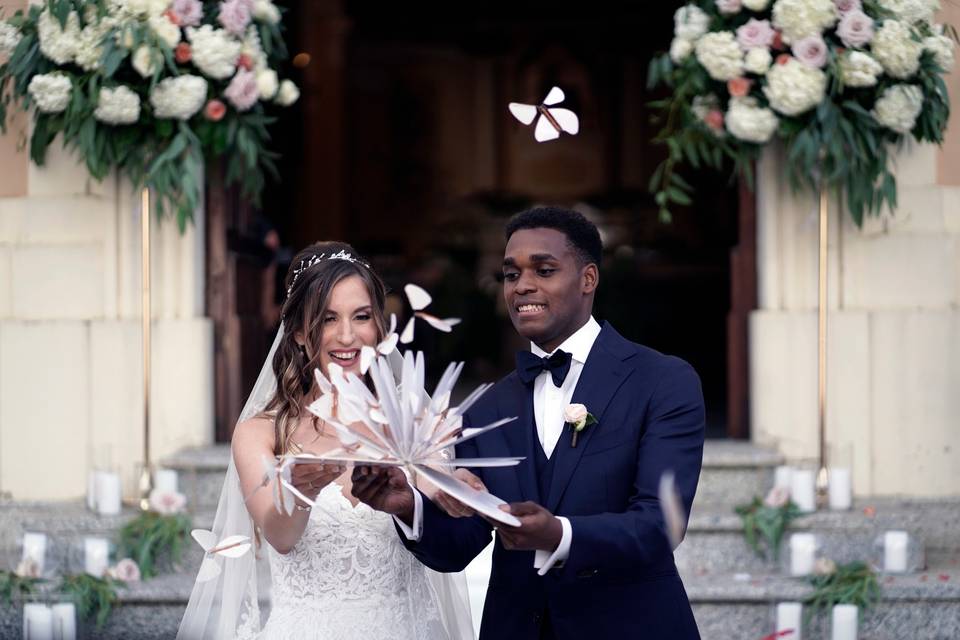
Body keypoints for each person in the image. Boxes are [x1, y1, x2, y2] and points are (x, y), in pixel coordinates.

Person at [352, 208, 706, 639]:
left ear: (588, 278)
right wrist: (407, 506)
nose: (523, 286)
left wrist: (559, 533)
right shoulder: (486, 407)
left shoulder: (662, 381)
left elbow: (660, 524)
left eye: (544, 269)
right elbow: (460, 543)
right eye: (510, 274)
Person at [177, 241, 472, 639]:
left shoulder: (415, 421)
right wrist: (299, 493)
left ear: (380, 327)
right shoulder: (259, 433)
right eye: (328, 319)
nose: (347, 336)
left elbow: (435, 501)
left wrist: (459, 489)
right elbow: (280, 537)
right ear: (298, 332)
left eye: (362, 316)